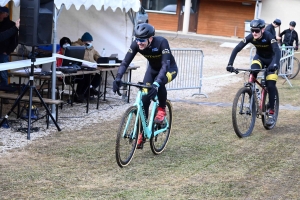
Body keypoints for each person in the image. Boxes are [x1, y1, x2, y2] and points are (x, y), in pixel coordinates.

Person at [113, 23, 178, 149]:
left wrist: (156, 83)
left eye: (142, 40)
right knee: (144, 100)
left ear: (150, 39)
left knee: (161, 82)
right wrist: (118, 77)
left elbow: (165, 66)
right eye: (137, 39)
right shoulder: (136, 44)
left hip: (169, 69)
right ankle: (141, 133)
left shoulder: (161, 42)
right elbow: (125, 62)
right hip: (152, 70)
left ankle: (161, 110)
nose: (139, 43)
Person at [226, 19, 281, 126]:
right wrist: (230, 64)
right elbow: (237, 48)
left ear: (263, 29)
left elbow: (277, 51)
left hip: (272, 60)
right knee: (253, 71)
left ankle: (271, 112)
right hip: (259, 58)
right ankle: (251, 91)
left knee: (270, 85)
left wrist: (275, 64)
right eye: (252, 30)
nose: (254, 33)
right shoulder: (251, 37)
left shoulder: (269, 36)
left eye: (256, 30)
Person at [72, 32, 102, 103]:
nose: (90, 43)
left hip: (89, 69)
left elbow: (97, 56)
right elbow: (74, 48)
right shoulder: (76, 46)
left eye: (91, 42)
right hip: (80, 70)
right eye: (88, 41)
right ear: (83, 41)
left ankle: (87, 93)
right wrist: (83, 46)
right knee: (84, 78)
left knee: (98, 78)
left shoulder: (91, 48)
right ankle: (79, 96)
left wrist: (101, 60)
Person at [0, 7, 18, 87]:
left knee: (3, 72)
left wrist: (8, 51)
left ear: (5, 15)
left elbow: (15, 41)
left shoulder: (11, 25)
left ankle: (5, 88)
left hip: (3, 52)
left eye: (1, 13)